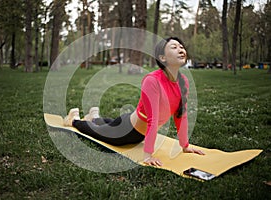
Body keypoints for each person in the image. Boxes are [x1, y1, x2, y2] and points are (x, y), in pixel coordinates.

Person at [64, 37, 205, 167]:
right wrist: (148, 155)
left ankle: (94, 117)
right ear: (162, 58)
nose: (181, 50)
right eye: (174, 47)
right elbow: (153, 119)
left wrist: (185, 146)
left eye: (181, 47)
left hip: (135, 129)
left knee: (109, 124)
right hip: (126, 131)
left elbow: (181, 116)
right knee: (95, 131)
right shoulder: (152, 80)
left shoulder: (183, 82)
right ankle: (74, 120)